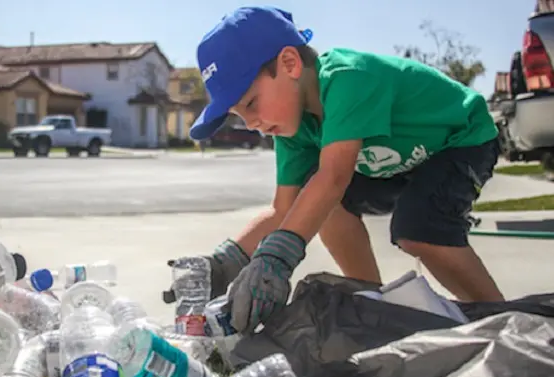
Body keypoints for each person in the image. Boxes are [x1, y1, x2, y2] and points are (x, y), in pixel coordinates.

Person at [169, 6, 506, 334]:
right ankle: (375, 303)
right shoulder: (292, 127)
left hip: (460, 141)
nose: (252, 123)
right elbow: (284, 209)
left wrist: (277, 259)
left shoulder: (348, 78)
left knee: (419, 228)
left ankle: (503, 321)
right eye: (239, 115)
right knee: (316, 202)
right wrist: (225, 261)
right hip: (397, 163)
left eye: (251, 103)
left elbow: (334, 176)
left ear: (289, 63)